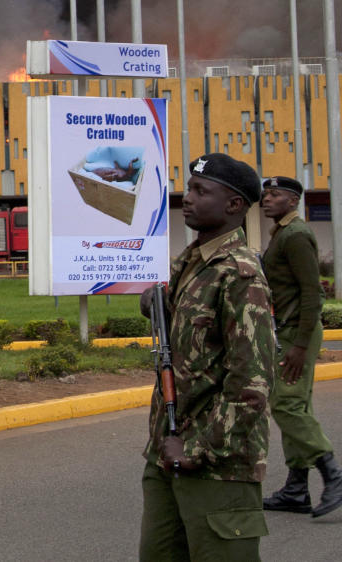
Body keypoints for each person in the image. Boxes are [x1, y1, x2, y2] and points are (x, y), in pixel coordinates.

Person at [138, 153, 276, 560]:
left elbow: (252, 386)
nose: (188, 198)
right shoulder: (192, 261)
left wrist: (195, 448)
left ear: (234, 205)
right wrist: (156, 303)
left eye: (201, 191)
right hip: (166, 451)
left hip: (218, 464)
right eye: (189, 188)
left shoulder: (239, 273)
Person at [260, 176, 342, 518]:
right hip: (291, 331)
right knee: (297, 406)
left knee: (286, 405)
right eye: (265, 194)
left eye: (275, 194)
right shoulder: (283, 232)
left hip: (299, 334)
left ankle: (333, 474)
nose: (266, 199)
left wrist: (299, 345)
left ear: (292, 201)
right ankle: (296, 489)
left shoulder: (296, 235)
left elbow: (313, 293)